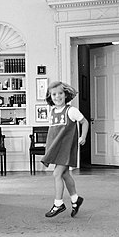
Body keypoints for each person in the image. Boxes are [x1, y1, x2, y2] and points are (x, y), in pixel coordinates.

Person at [41, 81, 89, 218]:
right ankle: (75, 199)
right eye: (54, 94)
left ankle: (58, 204)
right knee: (65, 174)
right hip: (57, 149)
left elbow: (84, 122)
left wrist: (83, 136)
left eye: (60, 93)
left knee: (57, 174)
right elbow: (53, 133)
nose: (57, 96)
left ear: (66, 94)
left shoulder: (71, 111)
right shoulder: (52, 112)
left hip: (67, 149)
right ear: (50, 97)